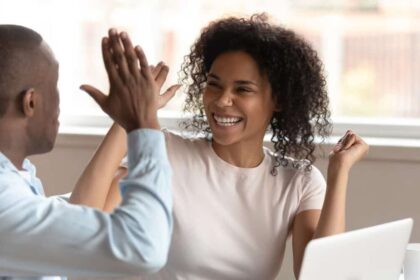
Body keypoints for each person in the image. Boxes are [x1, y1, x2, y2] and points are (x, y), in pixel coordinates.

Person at [73, 14, 369, 279]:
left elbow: (321, 276)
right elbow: (77, 227)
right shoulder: (165, 153)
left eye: (243, 89)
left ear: (278, 100)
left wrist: (339, 173)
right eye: (214, 84)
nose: (221, 100)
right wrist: (130, 118)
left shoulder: (299, 181)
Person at [0, 25, 177, 278]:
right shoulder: (5, 204)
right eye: (55, 87)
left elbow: (71, 217)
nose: (59, 104)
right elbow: (142, 249)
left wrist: (129, 123)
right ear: (30, 102)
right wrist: (143, 123)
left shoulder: (14, 180)